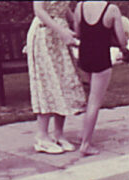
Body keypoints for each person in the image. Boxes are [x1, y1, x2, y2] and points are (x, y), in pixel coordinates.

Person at [26, 0, 86, 154]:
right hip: (43, 33)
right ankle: (42, 136)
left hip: (60, 35)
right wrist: (62, 31)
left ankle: (58, 133)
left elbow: (63, 8)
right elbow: (39, 11)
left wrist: (77, 24)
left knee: (64, 80)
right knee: (47, 82)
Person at [73, 1, 129, 156]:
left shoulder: (80, 6)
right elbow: (122, 41)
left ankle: (82, 134)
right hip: (101, 60)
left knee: (89, 98)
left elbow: (77, 33)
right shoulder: (112, 10)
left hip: (84, 58)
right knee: (94, 102)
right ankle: (86, 144)